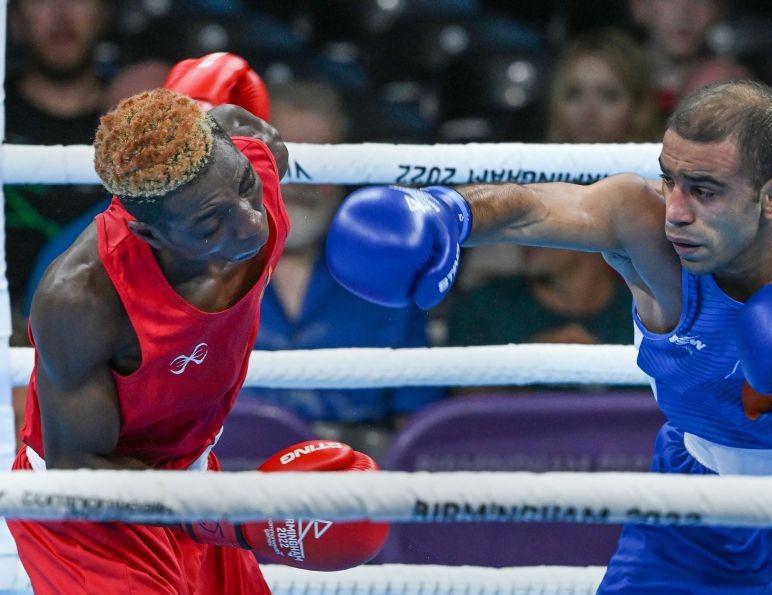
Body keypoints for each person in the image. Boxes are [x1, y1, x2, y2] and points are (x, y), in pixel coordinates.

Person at [326, 79, 772, 593]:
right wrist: (447, 214)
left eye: (704, 190)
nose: (676, 210)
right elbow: (542, 205)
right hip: (699, 487)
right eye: (670, 178)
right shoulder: (644, 222)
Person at [9, 55, 385, 594]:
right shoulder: (85, 298)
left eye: (245, 187)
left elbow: (222, 84)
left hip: (192, 477)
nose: (252, 223)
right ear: (153, 236)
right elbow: (80, 466)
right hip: (89, 516)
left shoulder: (252, 165)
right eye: (212, 223)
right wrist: (223, 516)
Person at [241, 80, 444, 459]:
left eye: (321, 159)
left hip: (352, 491)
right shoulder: (195, 270)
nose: (303, 178)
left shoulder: (391, 281)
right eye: (286, 157)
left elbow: (418, 432)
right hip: (217, 492)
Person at [448, 29, 647, 354]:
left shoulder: (661, 194)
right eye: (573, 94)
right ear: (555, 105)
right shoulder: (523, 185)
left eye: (608, 95)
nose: (588, 112)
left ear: (637, 109)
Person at [6, 0, 109, 344]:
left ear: (103, 12)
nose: (62, 12)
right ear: (16, 17)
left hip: (109, 335)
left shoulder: (136, 119)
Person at [629, 0, 750, 118]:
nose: (684, 11)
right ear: (640, 5)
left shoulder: (730, 87)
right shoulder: (615, 77)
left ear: (719, 12)